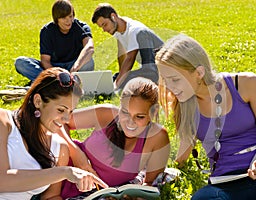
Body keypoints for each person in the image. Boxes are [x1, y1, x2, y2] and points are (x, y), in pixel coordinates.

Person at [155, 34, 256, 199]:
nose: (169, 87)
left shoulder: (247, 84)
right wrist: (156, 172)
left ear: (199, 72)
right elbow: (182, 153)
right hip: (226, 185)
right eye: (165, 80)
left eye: (175, 79)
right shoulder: (184, 105)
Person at [0, 67, 107, 200]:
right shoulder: (4, 122)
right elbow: (2, 181)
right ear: (38, 101)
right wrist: (64, 172)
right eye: (61, 110)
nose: (67, 119)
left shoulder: (59, 148)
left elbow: (50, 197)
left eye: (71, 112)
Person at [61, 77, 170, 199]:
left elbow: (149, 186)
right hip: (62, 167)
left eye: (139, 117)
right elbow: (60, 121)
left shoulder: (157, 137)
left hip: (93, 193)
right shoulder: (107, 114)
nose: (130, 122)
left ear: (153, 113)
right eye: (125, 112)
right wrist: (77, 155)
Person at [15, 0, 94, 85]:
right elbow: (45, 60)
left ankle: (46, 82)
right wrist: (58, 74)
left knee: (89, 61)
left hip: (75, 64)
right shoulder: (47, 31)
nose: (69, 21)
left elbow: (89, 48)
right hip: (53, 67)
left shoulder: (81, 26)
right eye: (64, 18)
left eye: (70, 16)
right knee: (21, 63)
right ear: (56, 19)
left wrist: (75, 67)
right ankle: (54, 81)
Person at [91, 3, 164, 90]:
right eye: (101, 27)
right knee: (116, 77)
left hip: (160, 69)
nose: (104, 30)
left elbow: (130, 59)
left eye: (104, 24)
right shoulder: (119, 29)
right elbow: (122, 56)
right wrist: (119, 78)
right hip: (148, 69)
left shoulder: (135, 30)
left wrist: (117, 84)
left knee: (126, 78)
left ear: (113, 16)